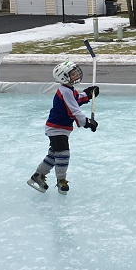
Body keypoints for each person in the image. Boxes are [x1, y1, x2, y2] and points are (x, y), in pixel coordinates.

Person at [27, 60, 100, 195]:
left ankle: (38, 175)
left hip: (59, 128)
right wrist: (87, 122)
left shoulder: (68, 90)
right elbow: (74, 110)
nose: (75, 76)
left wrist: (89, 94)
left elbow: (76, 99)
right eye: (72, 74)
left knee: (54, 154)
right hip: (56, 129)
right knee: (63, 153)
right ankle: (61, 181)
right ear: (63, 77)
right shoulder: (65, 91)